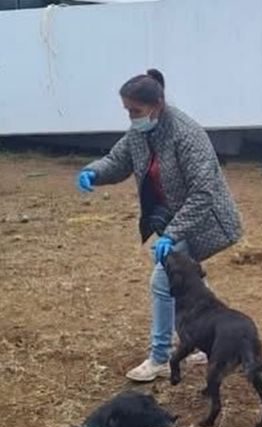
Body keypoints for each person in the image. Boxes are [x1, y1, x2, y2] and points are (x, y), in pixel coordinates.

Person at [77, 69, 243, 382]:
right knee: (191, 281)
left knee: (162, 280)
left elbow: (203, 193)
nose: (131, 117)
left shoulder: (187, 134)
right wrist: (94, 172)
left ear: (156, 105)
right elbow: (118, 160)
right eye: (127, 111)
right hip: (173, 220)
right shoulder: (141, 132)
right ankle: (206, 340)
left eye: (135, 111)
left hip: (204, 222)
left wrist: (171, 234)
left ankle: (161, 357)